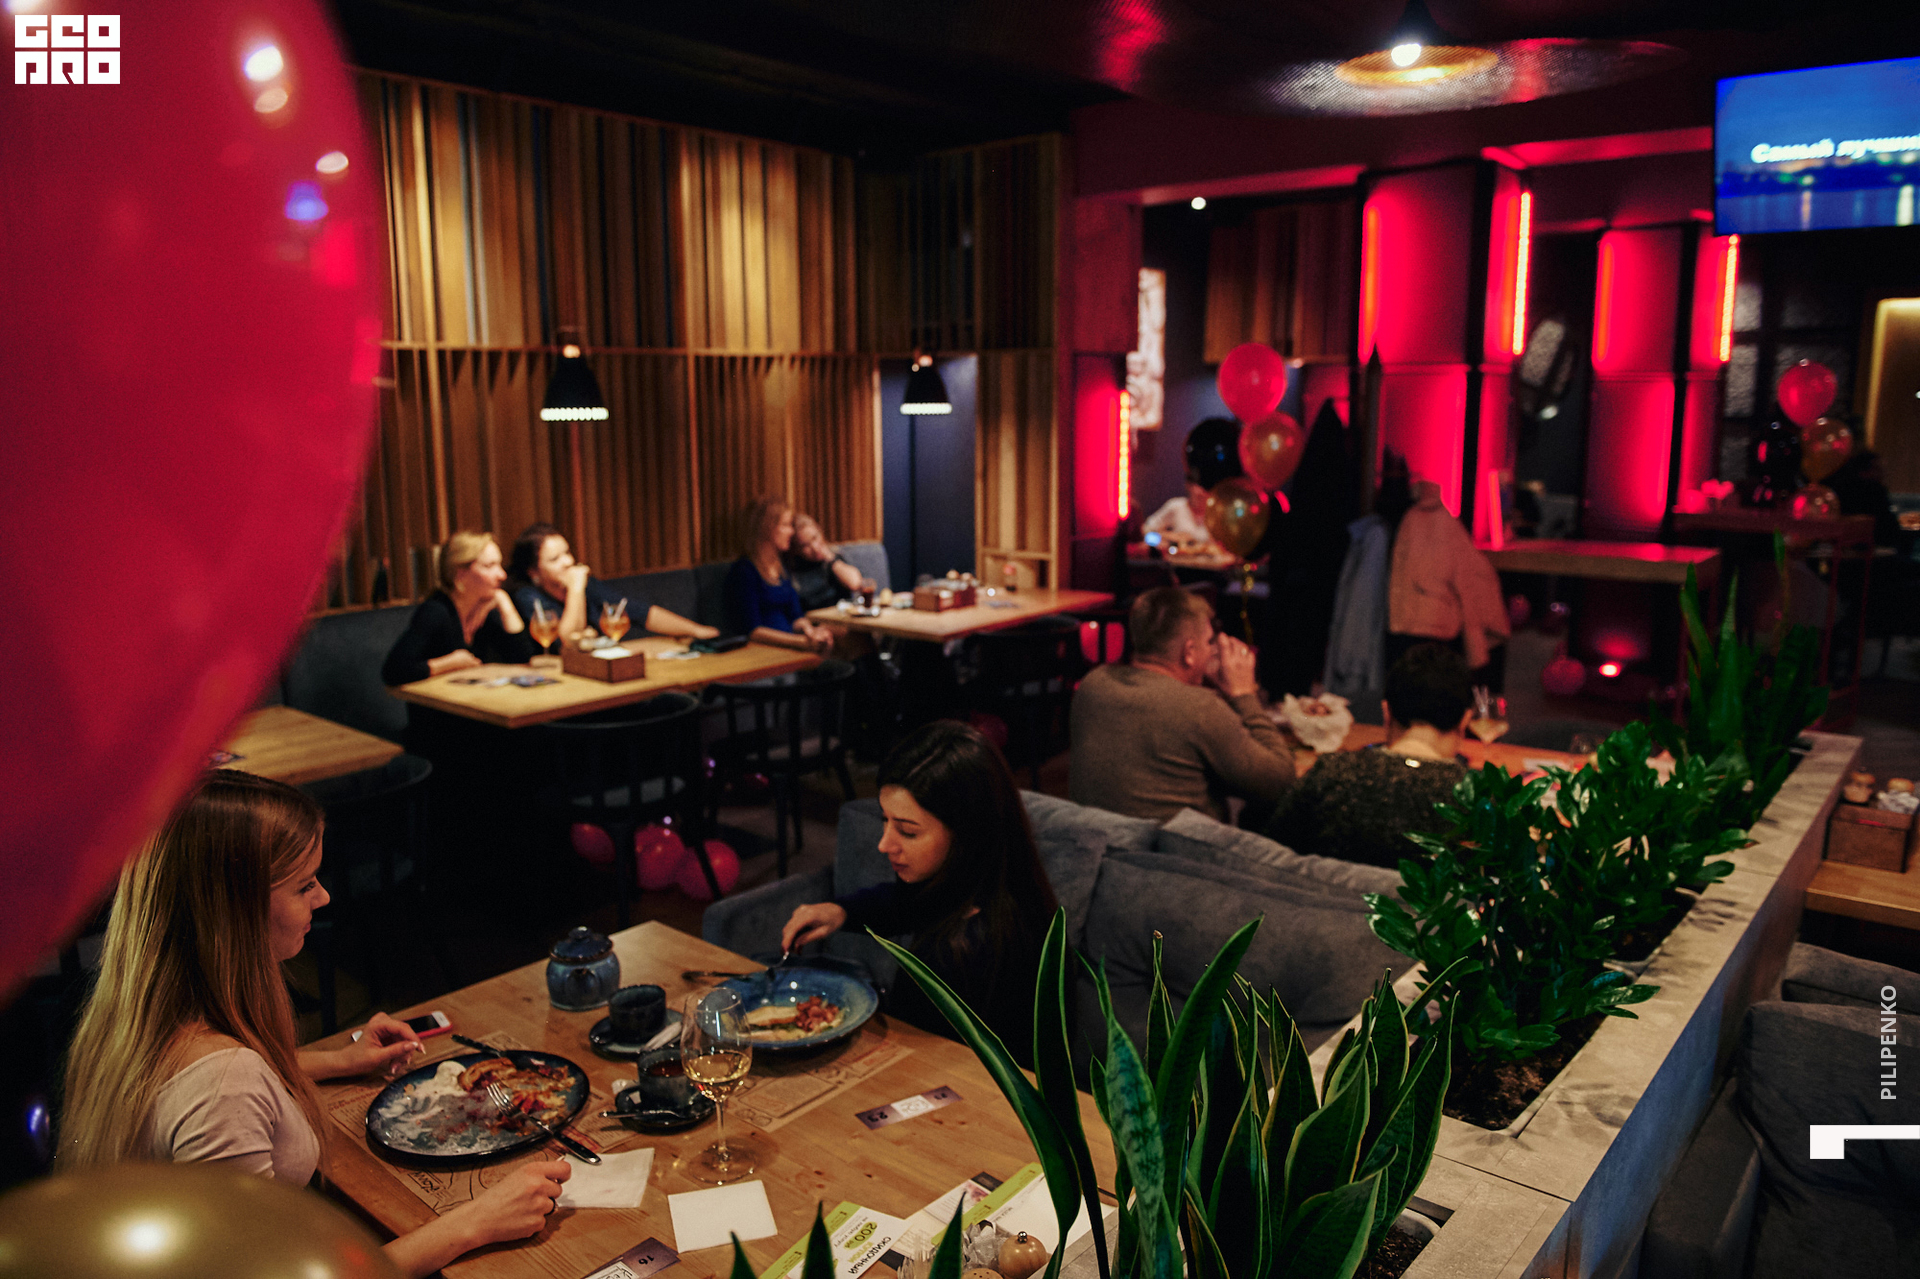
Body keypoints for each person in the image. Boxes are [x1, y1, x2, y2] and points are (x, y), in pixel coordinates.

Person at [59, 770, 570, 1278]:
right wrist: (475, 1222)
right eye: (304, 885)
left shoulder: (134, 1023)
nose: (323, 897)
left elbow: (199, 1086)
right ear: (234, 910)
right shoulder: (224, 1086)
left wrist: (337, 1061)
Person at [779, 721, 1058, 1062]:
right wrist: (842, 912)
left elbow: (940, 1062)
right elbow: (910, 904)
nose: (884, 844)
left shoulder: (979, 945)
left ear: (967, 833)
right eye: (885, 820)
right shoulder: (967, 881)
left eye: (907, 831)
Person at [1068, 586, 1296, 824]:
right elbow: (1280, 782)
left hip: (1098, 838)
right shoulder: (1200, 709)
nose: (1211, 651)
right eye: (1208, 642)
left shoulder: (1092, 684)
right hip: (1176, 846)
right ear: (1189, 651)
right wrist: (1244, 694)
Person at [1264, 643, 1471, 869]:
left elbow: (1270, 858)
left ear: (1386, 712)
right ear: (1465, 721)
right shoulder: (1478, 801)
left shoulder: (1330, 775)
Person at [506, 522, 717, 643]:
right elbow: (567, 642)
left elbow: (636, 611)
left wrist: (695, 630)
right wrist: (576, 589)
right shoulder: (527, 595)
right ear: (533, 571)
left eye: (567, 553)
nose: (568, 562)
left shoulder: (585, 583)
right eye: (555, 559)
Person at [381, 530, 537, 684]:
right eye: (489, 566)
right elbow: (393, 670)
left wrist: (505, 603)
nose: (502, 575)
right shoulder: (436, 611)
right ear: (460, 574)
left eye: (499, 564)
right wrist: (448, 663)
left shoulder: (485, 609)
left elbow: (523, 659)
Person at [724, 496, 835, 653]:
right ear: (767, 528)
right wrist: (800, 642)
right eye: (786, 525)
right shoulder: (744, 571)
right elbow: (752, 631)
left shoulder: (780, 567)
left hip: (791, 645)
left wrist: (811, 633)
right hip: (765, 651)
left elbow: (796, 616)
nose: (791, 532)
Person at [785, 512, 863, 611]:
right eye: (805, 545)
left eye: (815, 538)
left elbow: (855, 583)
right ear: (796, 549)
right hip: (815, 618)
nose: (815, 548)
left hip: (840, 616)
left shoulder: (833, 557)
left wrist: (830, 558)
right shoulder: (794, 570)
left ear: (820, 532)